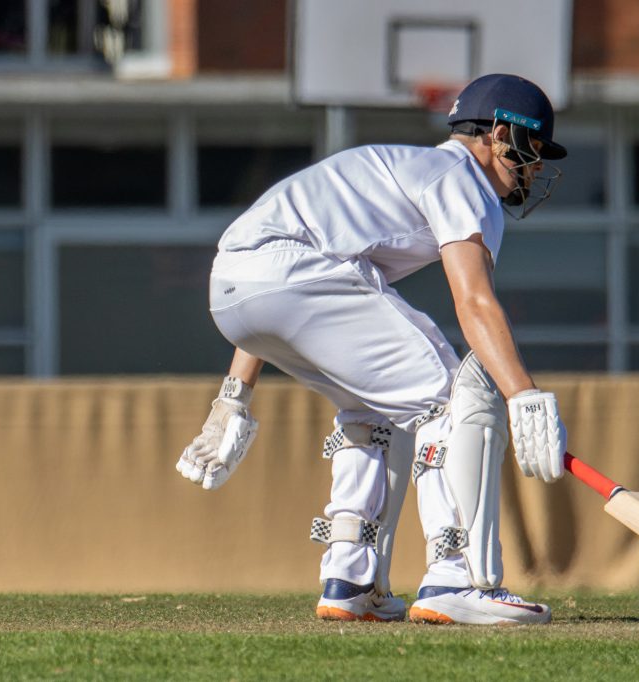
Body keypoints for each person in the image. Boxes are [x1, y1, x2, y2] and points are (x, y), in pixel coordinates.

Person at [176, 74, 569, 625]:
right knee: (452, 396)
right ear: (503, 133)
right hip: (293, 273)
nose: (532, 170)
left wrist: (234, 395)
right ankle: (456, 577)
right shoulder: (462, 178)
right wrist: (522, 394)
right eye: (532, 153)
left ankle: (350, 578)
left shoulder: (409, 170)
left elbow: (271, 282)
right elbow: (475, 301)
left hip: (230, 290)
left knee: (370, 412)